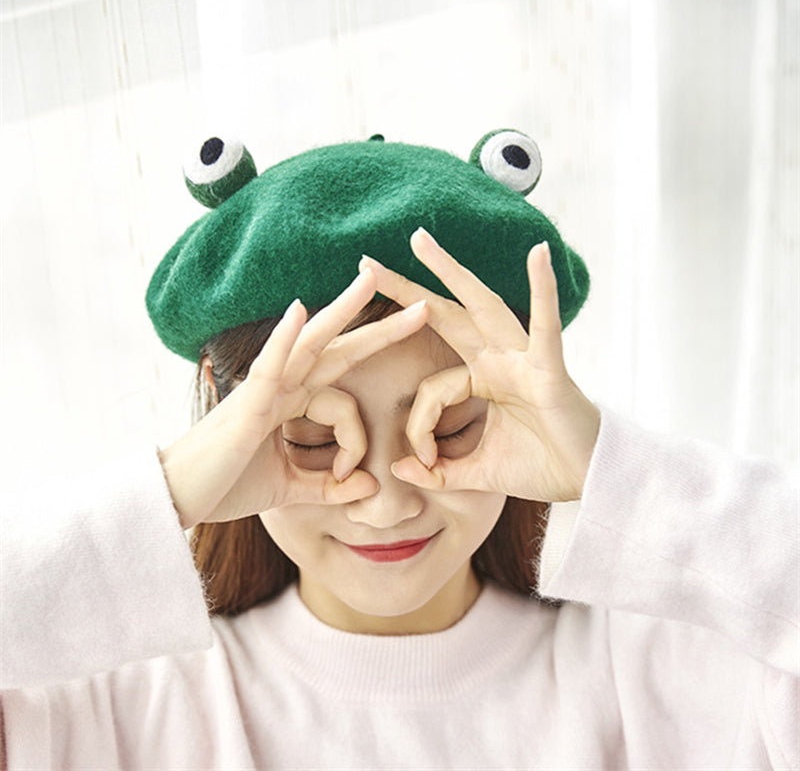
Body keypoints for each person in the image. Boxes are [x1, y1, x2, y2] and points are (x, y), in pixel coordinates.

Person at [1, 134, 797, 770]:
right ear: (225, 422)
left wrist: (613, 472)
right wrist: (172, 487)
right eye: (314, 439)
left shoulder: (669, 677)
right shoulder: (107, 711)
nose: (386, 502)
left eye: (449, 428)